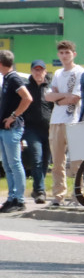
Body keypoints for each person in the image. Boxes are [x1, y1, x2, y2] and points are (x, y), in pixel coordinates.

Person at [44, 40, 84, 206]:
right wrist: (61, 97)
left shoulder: (80, 72)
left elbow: (75, 98)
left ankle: (77, 195)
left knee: (76, 162)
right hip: (56, 120)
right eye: (61, 53)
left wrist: (59, 97)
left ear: (73, 54)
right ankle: (58, 195)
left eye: (67, 52)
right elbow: (49, 96)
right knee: (57, 162)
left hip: (73, 120)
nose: (64, 55)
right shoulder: (58, 73)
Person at [0, 50, 32, 213]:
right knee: (7, 164)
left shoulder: (13, 78)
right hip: (4, 128)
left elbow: (27, 98)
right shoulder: (6, 78)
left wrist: (13, 116)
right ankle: (12, 197)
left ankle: (19, 199)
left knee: (14, 162)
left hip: (12, 127)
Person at [23, 60, 52, 204]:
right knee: (36, 157)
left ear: (45, 72)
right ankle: (40, 191)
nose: (38, 72)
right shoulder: (26, 88)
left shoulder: (51, 88)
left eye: (41, 70)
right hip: (31, 129)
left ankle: (36, 188)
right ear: (31, 71)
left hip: (48, 129)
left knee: (45, 161)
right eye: (35, 70)